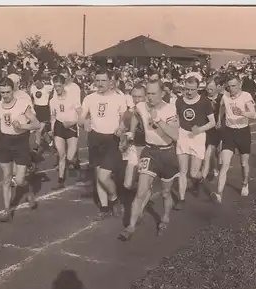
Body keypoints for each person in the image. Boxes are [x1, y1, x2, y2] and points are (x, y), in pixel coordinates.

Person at [118, 80, 180, 241]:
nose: (150, 97)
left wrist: (158, 121)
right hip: (150, 151)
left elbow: (175, 135)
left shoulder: (169, 109)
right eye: (148, 94)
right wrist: (131, 132)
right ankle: (130, 226)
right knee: (141, 191)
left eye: (153, 94)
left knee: (166, 193)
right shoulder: (141, 106)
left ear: (162, 94)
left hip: (167, 154)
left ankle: (165, 219)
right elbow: (136, 115)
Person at [0, 77, 42, 222]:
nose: (5, 95)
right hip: (5, 141)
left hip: (20, 142)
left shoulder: (22, 105)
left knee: (18, 180)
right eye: (3, 92)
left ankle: (28, 190)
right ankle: (7, 211)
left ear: (13, 91)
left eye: (8, 92)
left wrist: (22, 126)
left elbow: (37, 124)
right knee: (6, 177)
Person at [79, 68, 126, 220]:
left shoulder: (119, 98)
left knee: (104, 176)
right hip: (94, 138)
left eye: (103, 80)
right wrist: (84, 122)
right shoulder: (89, 98)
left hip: (111, 139)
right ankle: (104, 208)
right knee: (98, 175)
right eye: (97, 80)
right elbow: (81, 118)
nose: (100, 83)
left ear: (110, 81)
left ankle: (114, 199)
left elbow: (125, 118)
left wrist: (121, 128)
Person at [211, 75, 256, 203]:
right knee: (225, 164)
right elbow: (221, 107)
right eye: (229, 86)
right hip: (229, 133)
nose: (231, 89)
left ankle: (244, 183)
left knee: (243, 163)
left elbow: (253, 114)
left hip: (243, 132)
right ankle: (219, 193)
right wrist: (219, 120)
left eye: (234, 86)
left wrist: (242, 112)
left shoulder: (246, 96)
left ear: (240, 84)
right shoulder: (225, 96)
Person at [174, 76, 216, 209]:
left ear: (198, 88)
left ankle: (199, 178)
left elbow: (212, 122)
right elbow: (176, 118)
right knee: (182, 171)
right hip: (183, 135)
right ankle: (181, 199)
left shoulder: (204, 102)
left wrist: (199, 129)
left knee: (193, 173)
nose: (189, 92)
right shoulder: (179, 101)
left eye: (192, 90)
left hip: (198, 137)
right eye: (186, 89)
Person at [49, 74, 81, 189]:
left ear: (63, 85)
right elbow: (53, 117)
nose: (57, 89)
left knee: (70, 157)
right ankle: (60, 179)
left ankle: (75, 162)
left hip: (71, 126)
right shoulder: (52, 101)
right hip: (59, 126)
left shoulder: (72, 98)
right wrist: (52, 130)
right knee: (61, 155)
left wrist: (72, 123)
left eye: (59, 86)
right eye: (55, 86)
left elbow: (81, 114)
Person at [200, 76, 224, 181]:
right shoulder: (203, 97)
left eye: (211, 89)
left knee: (215, 151)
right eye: (207, 88)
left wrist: (220, 121)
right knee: (208, 150)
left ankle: (214, 168)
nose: (209, 91)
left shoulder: (222, 98)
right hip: (206, 127)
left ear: (218, 87)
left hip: (218, 129)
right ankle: (206, 173)